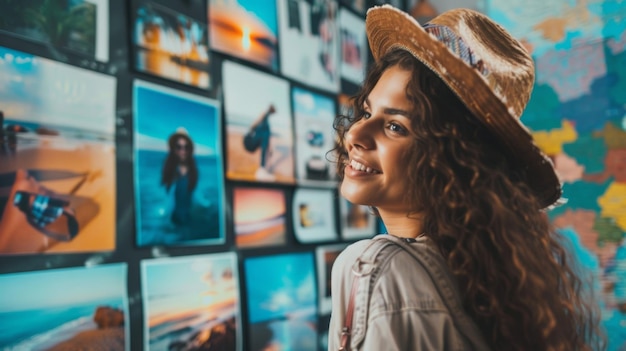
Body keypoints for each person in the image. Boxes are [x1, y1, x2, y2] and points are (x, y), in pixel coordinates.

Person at [328, 5, 604, 351]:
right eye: (368, 112)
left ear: (452, 159)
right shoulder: (490, 281)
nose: (356, 133)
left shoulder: (377, 268)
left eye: (395, 126)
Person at [161, 128, 198, 225]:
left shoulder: (193, 171)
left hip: (188, 217)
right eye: (179, 147)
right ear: (173, 148)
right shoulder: (169, 169)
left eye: (186, 147)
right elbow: (166, 196)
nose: (183, 151)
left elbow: (195, 193)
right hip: (172, 220)